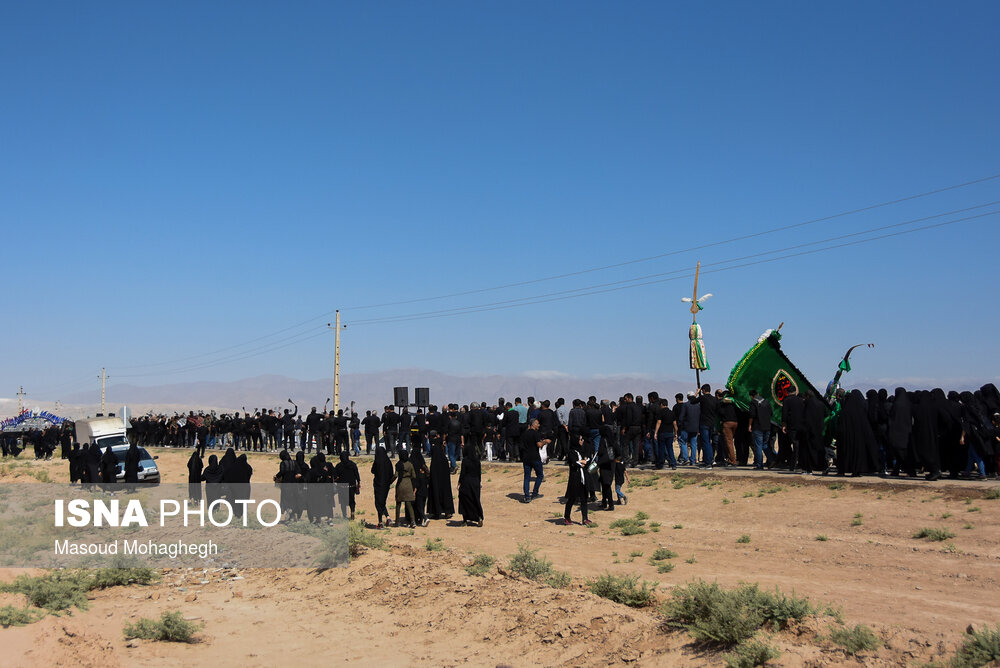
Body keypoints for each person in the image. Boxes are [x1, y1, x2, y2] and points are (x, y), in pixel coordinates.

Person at [563, 437, 592, 526]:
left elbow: (588, 459)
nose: (582, 441)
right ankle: (567, 517)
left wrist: (584, 461)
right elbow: (574, 463)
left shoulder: (582, 450)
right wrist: (581, 462)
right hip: (575, 478)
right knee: (572, 498)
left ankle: (585, 518)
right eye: (580, 439)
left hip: (583, 478)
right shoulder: (571, 452)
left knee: (584, 499)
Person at [426, 431, 455, 519]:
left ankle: (436, 511)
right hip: (444, 479)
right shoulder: (444, 460)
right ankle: (447, 511)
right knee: (446, 491)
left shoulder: (434, 458)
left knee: (435, 490)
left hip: (436, 476)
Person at [520, 419, 549, 503]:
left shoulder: (524, 434)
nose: (538, 425)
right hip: (535, 457)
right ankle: (535, 493)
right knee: (540, 475)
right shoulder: (535, 433)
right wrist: (545, 441)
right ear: (533, 424)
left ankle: (527, 496)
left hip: (526, 458)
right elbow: (539, 445)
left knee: (527, 477)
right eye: (537, 423)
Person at [457, 442, 484, 526]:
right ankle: (479, 517)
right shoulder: (477, 461)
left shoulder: (465, 460)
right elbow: (479, 473)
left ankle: (465, 520)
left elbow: (463, 473)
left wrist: (459, 482)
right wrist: (479, 482)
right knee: (475, 500)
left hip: (466, 483)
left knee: (464, 501)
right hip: (475, 482)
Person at [371, 444, 394, 528]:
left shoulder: (377, 461)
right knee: (382, 501)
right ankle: (388, 518)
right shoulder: (388, 461)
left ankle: (380, 521)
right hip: (386, 485)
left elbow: (372, 471)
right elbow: (392, 473)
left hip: (378, 485)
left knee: (378, 502)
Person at [334, 451, 360, 519]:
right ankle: (352, 512)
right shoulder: (353, 465)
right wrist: (358, 483)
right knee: (352, 500)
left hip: (341, 487)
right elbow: (357, 475)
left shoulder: (338, 466)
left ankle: (344, 515)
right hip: (351, 486)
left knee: (342, 502)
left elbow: (335, 477)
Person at [394, 450, 416, 528]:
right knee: (409, 504)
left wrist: (390, 481)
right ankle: (413, 521)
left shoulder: (398, 464)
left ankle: (397, 521)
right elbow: (414, 476)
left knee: (398, 504)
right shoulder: (410, 464)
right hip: (408, 484)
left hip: (400, 484)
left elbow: (396, 475)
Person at [409, 444, 430, 526]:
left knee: (417, 504)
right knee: (422, 504)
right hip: (425, 490)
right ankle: (421, 519)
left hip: (416, 487)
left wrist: (414, 490)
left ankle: (422, 517)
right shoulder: (425, 473)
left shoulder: (411, 462)